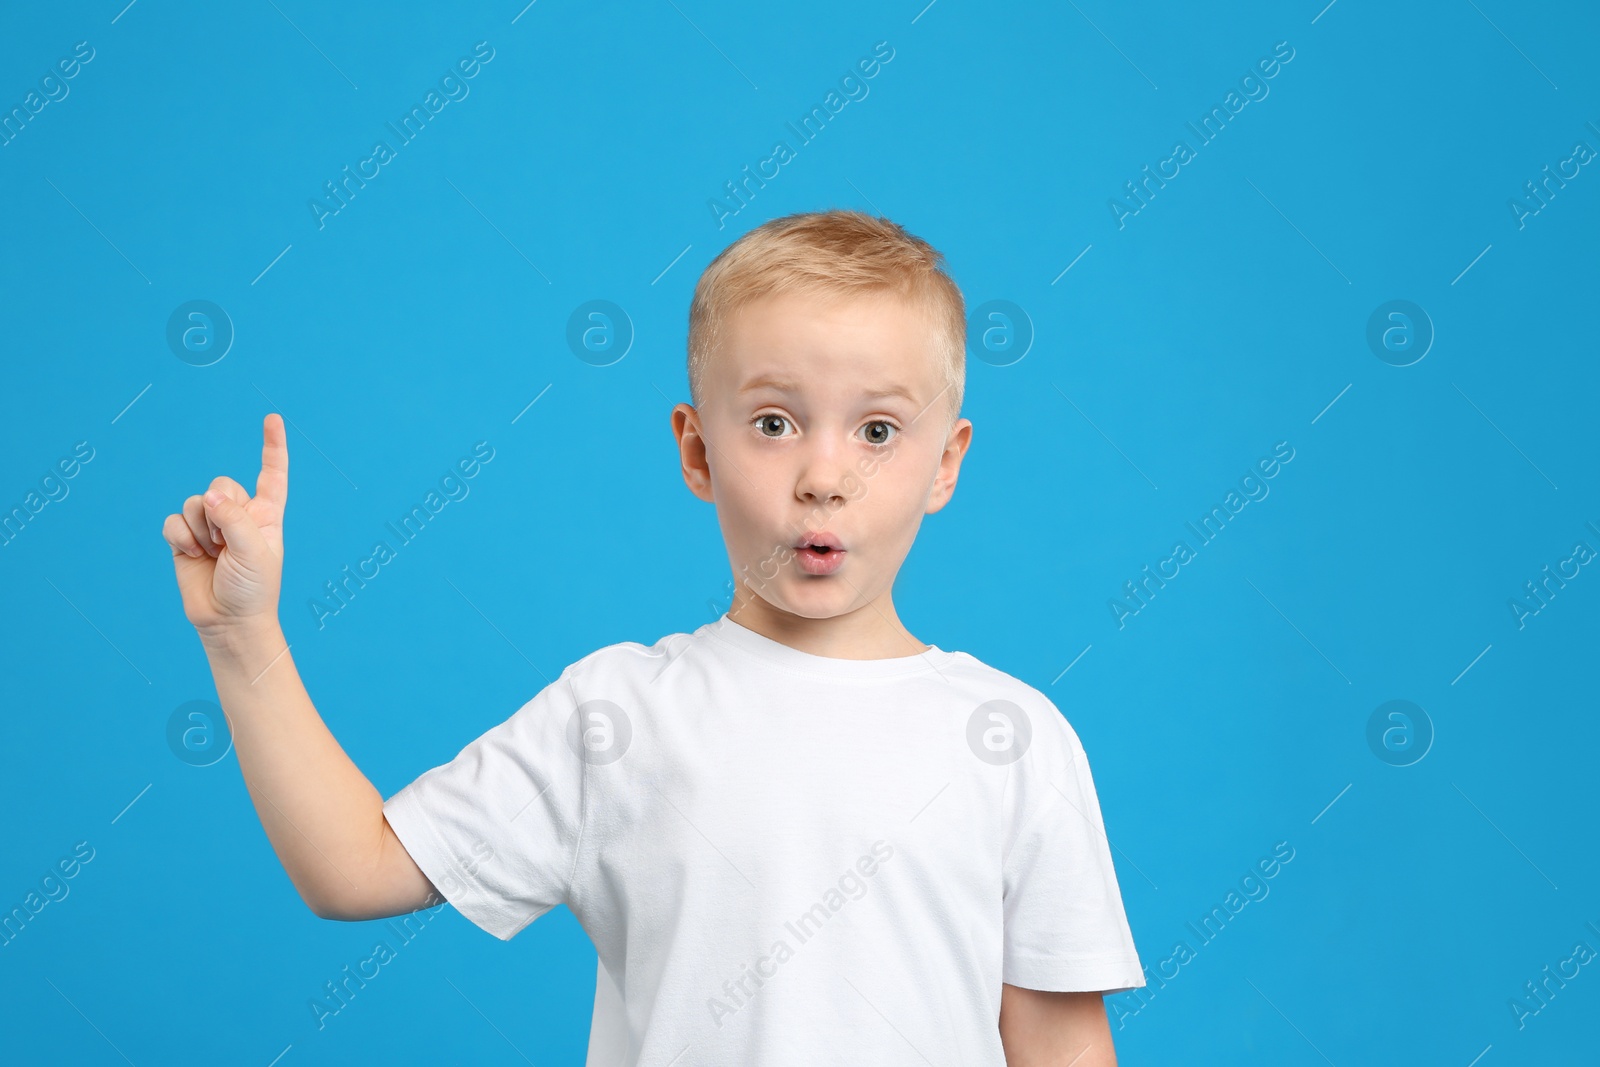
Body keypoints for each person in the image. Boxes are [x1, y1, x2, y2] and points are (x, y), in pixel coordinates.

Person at [162, 209, 1144, 1065]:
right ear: (695, 449)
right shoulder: (618, 714)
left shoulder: (1014, 737)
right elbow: (352, 867)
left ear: (945, 463)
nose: (823, 474)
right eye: (772, 421)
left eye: (878, 431)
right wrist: (245, 638)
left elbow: (1059, 1043)